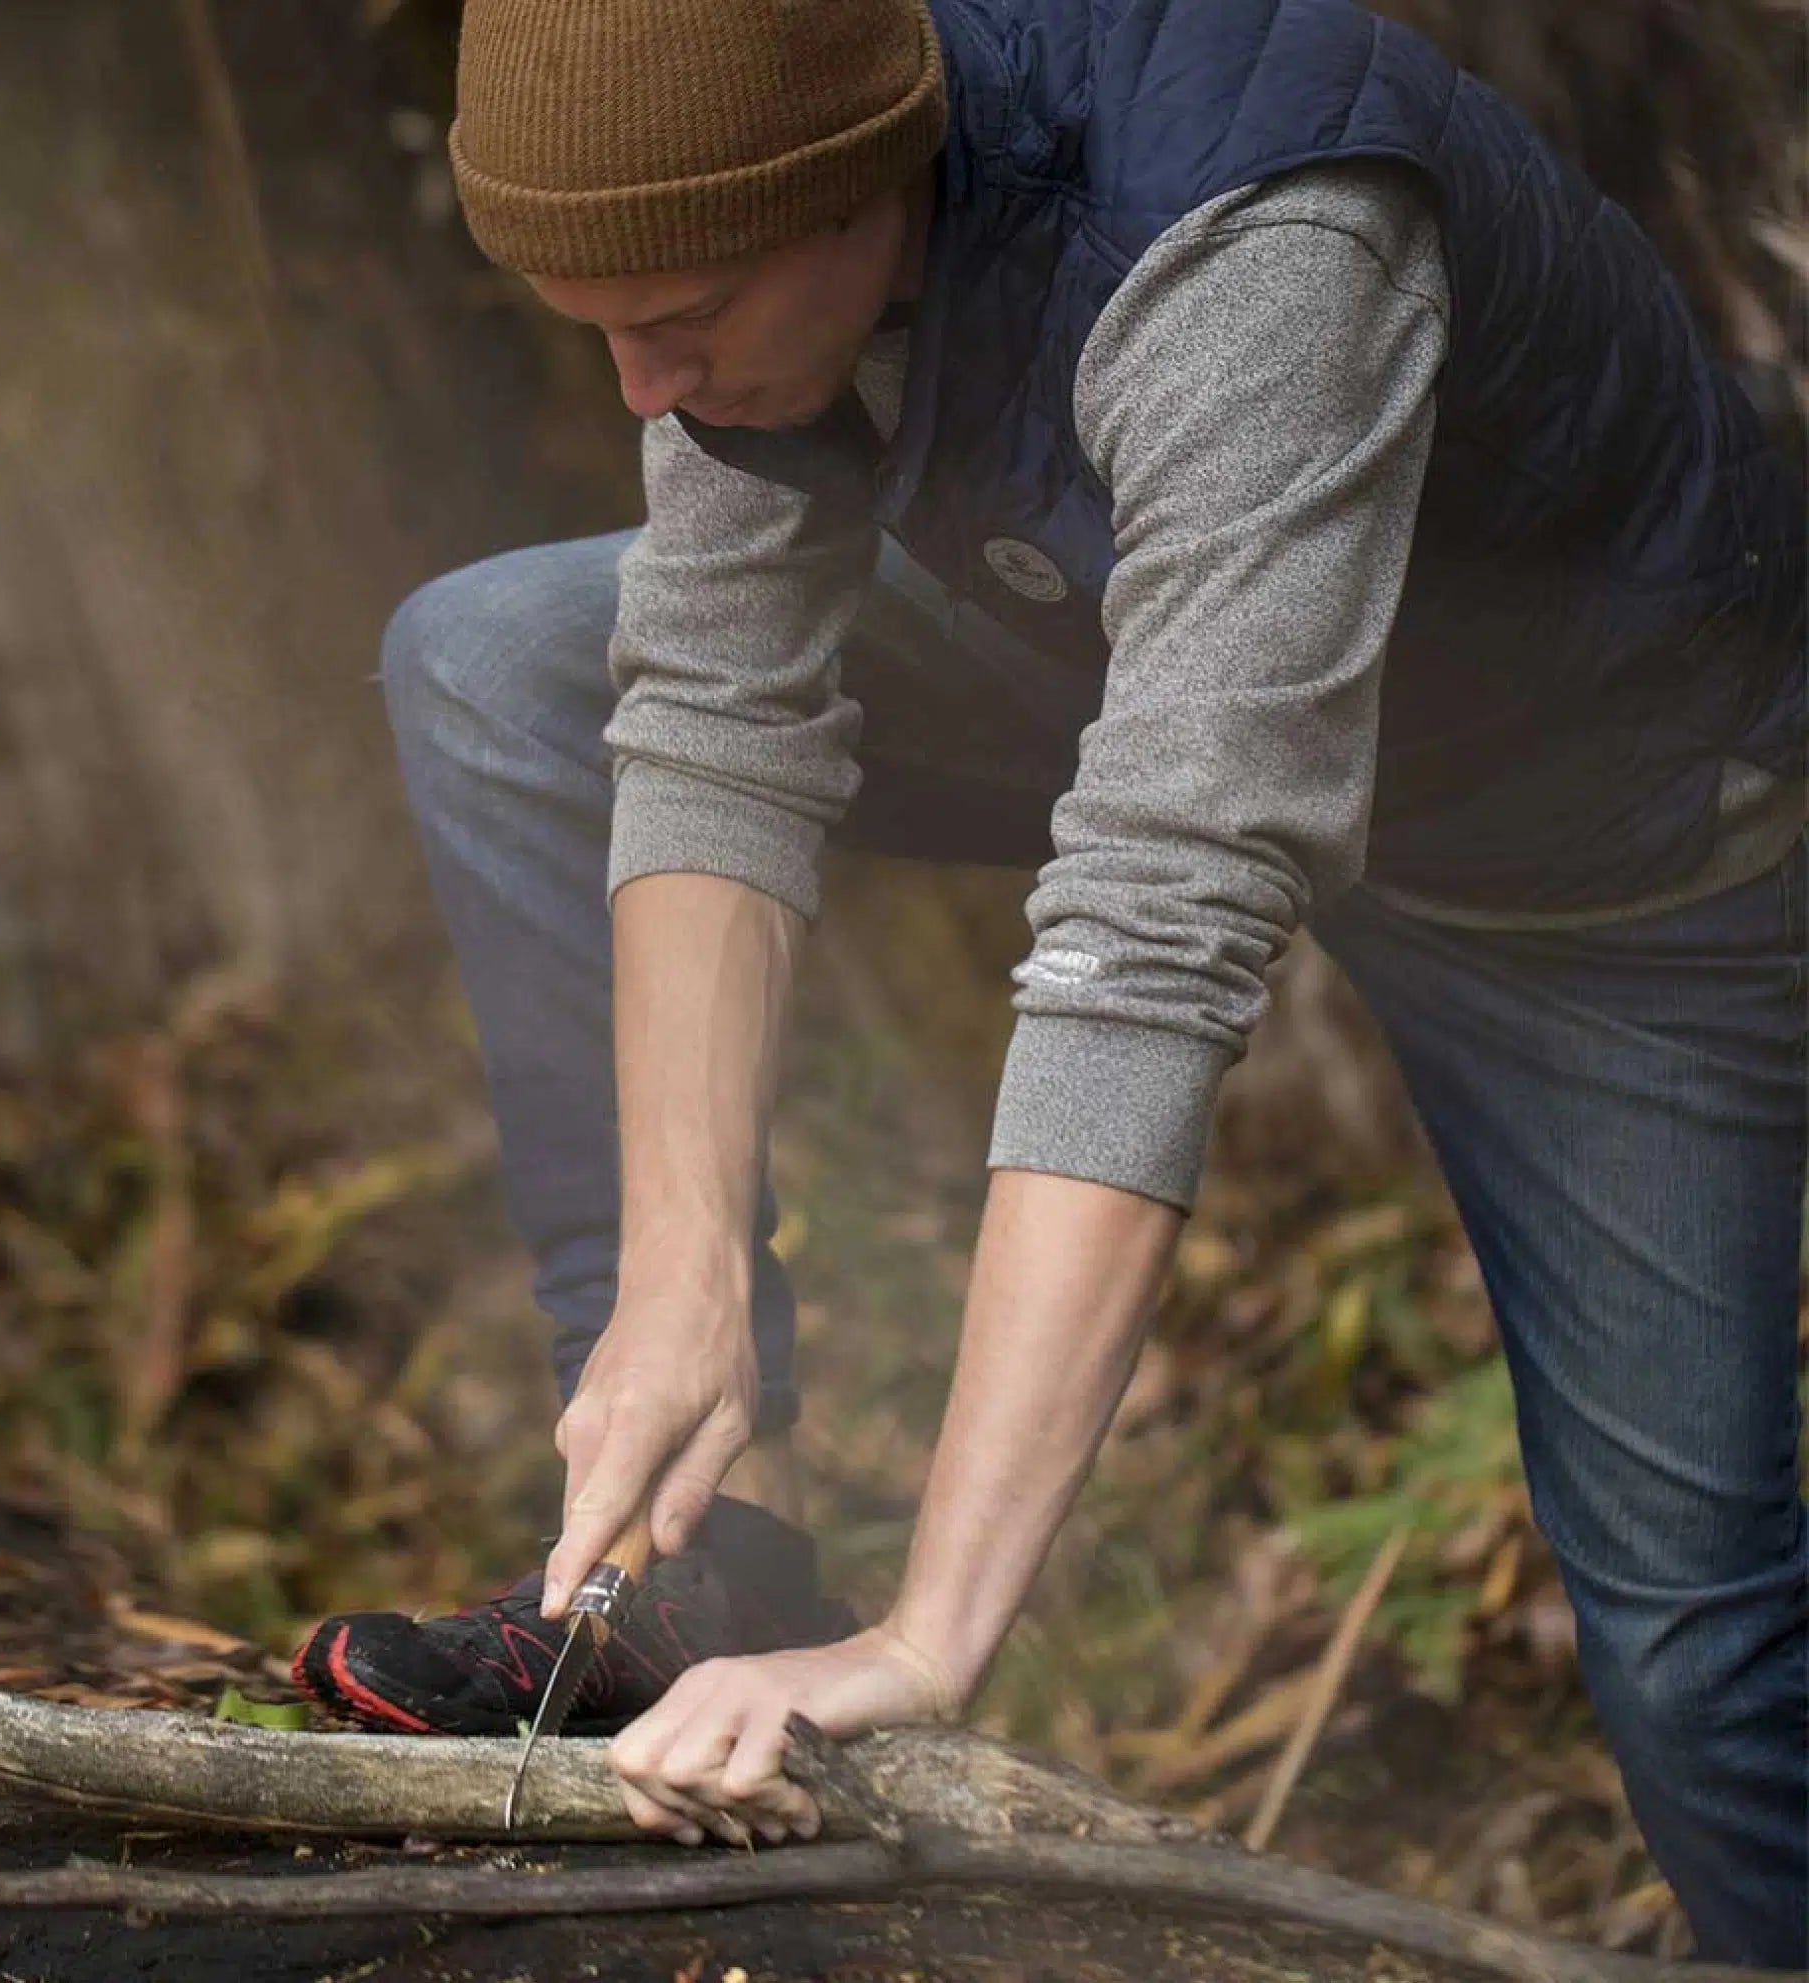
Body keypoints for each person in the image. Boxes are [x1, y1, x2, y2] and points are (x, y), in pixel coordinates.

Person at [293, 0, 1807, 1961]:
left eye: (682, 314)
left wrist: (932, 1630)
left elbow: (1155, 929)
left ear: (857, 185)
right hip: (1155, 646)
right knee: (496, 663)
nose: (639, 383)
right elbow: (715, 722)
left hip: (1603, 863)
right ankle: (695, 1552)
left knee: (1697, 1654)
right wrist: (682, 1272)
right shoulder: (760, 185)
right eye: (597, 320)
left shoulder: (1259, 255)